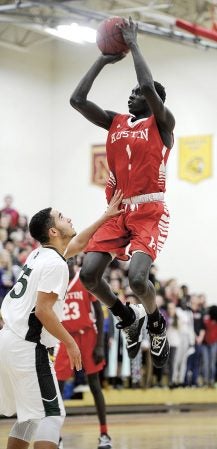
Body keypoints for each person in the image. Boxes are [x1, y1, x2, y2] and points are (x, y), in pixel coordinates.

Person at [70, 17, 175, 368]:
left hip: (149, 211)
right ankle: (127, 318)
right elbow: (77, 99)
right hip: (116, 211)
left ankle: (156, 322)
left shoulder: (163, 125)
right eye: (129, 93)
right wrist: (103, 57)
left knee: (137, 277)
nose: (132, 95)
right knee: (87, 275)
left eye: (138, 93)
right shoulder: (115, 122)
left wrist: (134, 45)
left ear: (155, 100)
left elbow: (147, 85)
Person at [0, 190, 123, 449]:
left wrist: (106, 216)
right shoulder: (56, 265)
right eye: (60, 216)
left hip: (10, 341)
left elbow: (77, 244)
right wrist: (70, 343)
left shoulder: (38, 255)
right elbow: (44, 311)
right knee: (52, 415)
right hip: (27, 346)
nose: (67, 217)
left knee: (30, 417)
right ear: (53, 231)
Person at [54, 257, 112, 449]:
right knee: (58, 387)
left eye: (70, 261)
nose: (67, 264)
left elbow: (99, 312)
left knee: (95, 385)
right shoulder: (55, 282)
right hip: (65, 337)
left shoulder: (84, 279)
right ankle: (56, 435)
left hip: (88, 335)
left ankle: (104, 434)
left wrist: (100, 346)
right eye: (64, 261)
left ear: (75, 263)